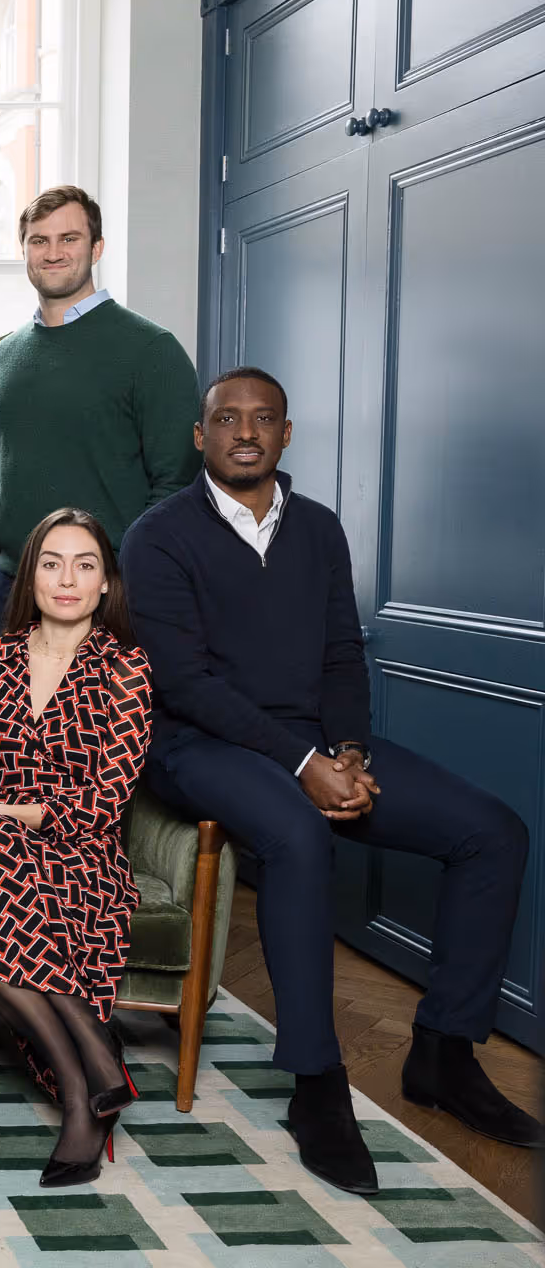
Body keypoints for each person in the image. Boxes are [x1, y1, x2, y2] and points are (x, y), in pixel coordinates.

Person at [123, 367, 540, 1195]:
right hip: (193, 747)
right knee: (297, 834)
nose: (246, 431)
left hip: (313, 743)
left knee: (495, 831)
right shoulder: (158, 535)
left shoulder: (318, 527)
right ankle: (317, 1083)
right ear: (199, 437)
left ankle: (444, 1055)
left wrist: (345, 750)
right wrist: (304, 766)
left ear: (285, 433)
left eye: (263, 418)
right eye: (227, 418)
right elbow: (188, 685)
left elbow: (344, 653)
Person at [0, 507, 153, 1188]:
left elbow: (104, 803)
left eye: (85, 565)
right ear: (31, 577)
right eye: (52, 563)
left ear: (106, 584)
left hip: (83, 856)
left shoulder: (127, 669)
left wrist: (0, 811)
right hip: (1, 846)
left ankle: (86, 1082)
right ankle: (90, 1071)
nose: (67, 578)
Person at [0, 186, 201, 634]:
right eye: (39, 240)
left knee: (108, 709)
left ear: (97, 248)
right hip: (11, 589)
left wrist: (121, 575)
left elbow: (177, 483)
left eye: (69, 239)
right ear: (24, 251)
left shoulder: (151, 350)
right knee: (10, 708)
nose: (53, 252)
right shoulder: (0, 359)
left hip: (109, 591)